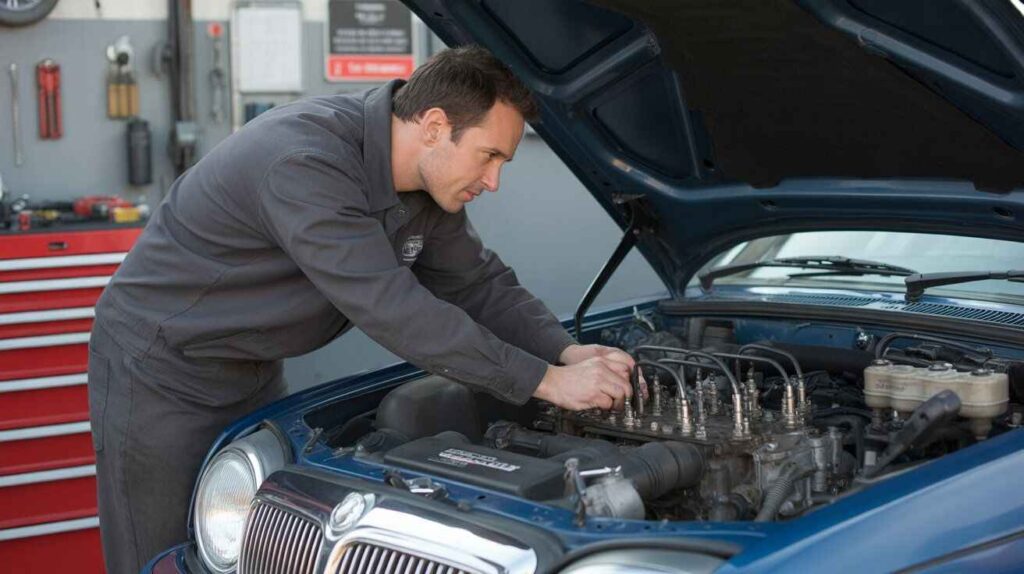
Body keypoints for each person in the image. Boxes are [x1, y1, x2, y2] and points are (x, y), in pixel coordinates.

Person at [87, 45, 635, 572]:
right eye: (489, 156)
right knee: (161, 558)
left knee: (245, 552)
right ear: (435, 127)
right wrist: (545, 382)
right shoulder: (305, 162)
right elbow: (394, 310)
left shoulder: (427, 186)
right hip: (160, 370)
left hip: (250, 371)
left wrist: (565, 350)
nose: (493, 181)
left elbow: (479, 283)